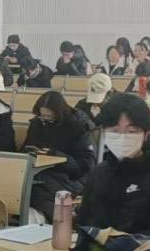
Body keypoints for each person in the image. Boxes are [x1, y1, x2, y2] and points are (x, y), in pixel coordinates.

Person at [76, 94, 150, 243]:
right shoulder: (99, 173)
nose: (123, 137)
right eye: (115, 131)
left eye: (131, 131)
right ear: (104, 132)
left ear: (146, 134)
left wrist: (118, 245)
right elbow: (85, 220)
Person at [23, 91, 96, 221]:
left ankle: (66, 219)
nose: (45, 120)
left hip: (72, 177)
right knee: (23, 186)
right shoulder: (38, 123)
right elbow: (26, 147)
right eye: (42, 117)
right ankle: (65, 218)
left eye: (49, 117)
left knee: (30, 191)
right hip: (41, 172)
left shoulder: (78, 126)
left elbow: (86, 165)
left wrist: (57, 156)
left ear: (59, 114)